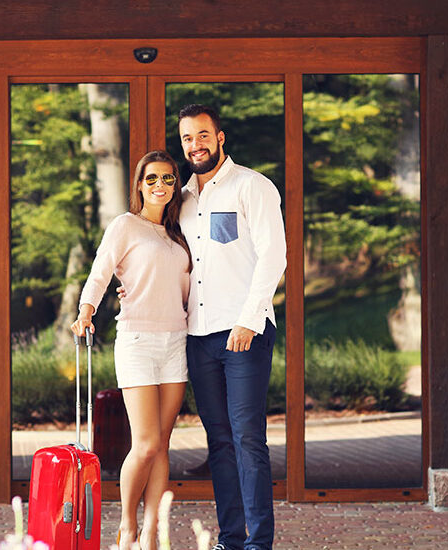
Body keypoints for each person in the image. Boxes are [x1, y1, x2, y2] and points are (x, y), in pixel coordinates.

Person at [71, 150, 193, 550]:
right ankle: (126, 525)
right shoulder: (126, 225)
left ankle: (152, 533)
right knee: (144, 443)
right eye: (152, 178)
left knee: (162, 443)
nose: (160, 185)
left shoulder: (179, 233)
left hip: (176, 342)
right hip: (138, 341)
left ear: (176, 185)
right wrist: (86, 311)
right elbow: (100, 271)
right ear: (140, 185)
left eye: (169, 179)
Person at [178, 103, 286, 550]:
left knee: (247, 439)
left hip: (243, 334)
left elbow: (273, 255)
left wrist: (249, 319)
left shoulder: (252, 187)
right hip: (198, 336)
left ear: (220, 138)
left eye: (203, 135)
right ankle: (231, 539)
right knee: (219, 442)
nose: (195, 144)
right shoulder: (180, 199)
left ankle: (259, 543)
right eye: (187, 137)